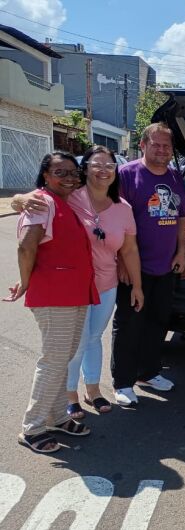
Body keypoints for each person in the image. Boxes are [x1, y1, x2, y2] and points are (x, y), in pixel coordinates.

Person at [12, 147, 145, 417]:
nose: (103, 170)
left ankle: (93, 390)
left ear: (116, 170)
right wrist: (19, 198)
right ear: (86, 169)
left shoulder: (123, 207)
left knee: (94, 338)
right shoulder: (70, 195)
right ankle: (68, 395)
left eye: (109, 165)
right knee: (76, 342)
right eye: (97, 164)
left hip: (106, 284)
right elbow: (38, 198)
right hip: (71, 286)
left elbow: (129, 250)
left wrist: (138, 286)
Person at [4, 152, 99, 453]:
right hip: (54, 294)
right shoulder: (41, 201)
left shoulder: (65, 201)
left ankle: (57, 415)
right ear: (45, 175)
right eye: (60, 172)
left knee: (66, 356)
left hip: (73, 291)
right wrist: (26, 281)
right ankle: (32, 428)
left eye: (73, 172)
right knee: (54, 359)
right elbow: (25, 246)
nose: (69, 178)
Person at [111, 122, 185, 407]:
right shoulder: (127, 174)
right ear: (142, 144)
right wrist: (120, 259)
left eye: (166, 145)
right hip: (134, 266)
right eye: (156, 144)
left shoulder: (176, 177)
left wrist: (181, 252)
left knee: (157, 321)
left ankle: (149, 373)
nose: (162, 149)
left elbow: (182, 217)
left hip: (165, 266)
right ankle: (122, 382)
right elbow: (115, 218)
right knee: (130, 323)